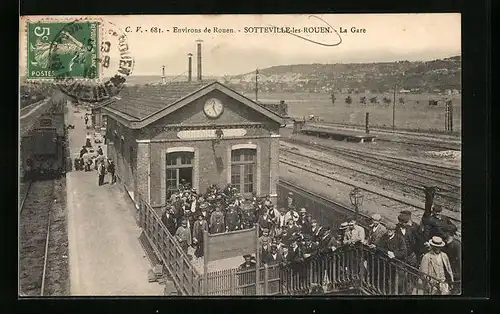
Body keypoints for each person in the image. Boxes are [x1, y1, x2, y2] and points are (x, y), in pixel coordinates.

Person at [377, 222, 407, 294]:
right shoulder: (384, 237)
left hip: (397, 262)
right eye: (388, 229)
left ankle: (399, 293)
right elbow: (379, 247)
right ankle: (387, 292)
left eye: (391, 230)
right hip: (387, 262)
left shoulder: (400, 238)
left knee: (398, 280)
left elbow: (403, 251)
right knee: (386, 278)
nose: (389, 231)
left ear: (394, 231)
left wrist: (395, 254)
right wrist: (387, 252)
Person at [441, 225, 461, 294]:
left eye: (443, 232)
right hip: (446, 272)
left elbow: (459, 261)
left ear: (448, 233)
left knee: (454, 291)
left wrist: (458, 275)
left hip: (455, 273)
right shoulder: (444, 243)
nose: (442, 233)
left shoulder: (457, 245)